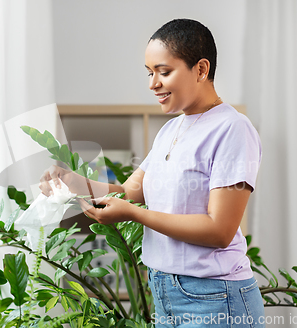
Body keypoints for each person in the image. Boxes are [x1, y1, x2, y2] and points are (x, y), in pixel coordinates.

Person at [40, 19, 265, 328]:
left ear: (201, 69)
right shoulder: (171, 129)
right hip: (165, 293)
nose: (153, 84)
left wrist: (135, 215)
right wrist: (76, 183)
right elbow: (132, 191)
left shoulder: (233, 129)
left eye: (164, 72)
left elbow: (220, 231)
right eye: (149, 73)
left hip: (215, 298)